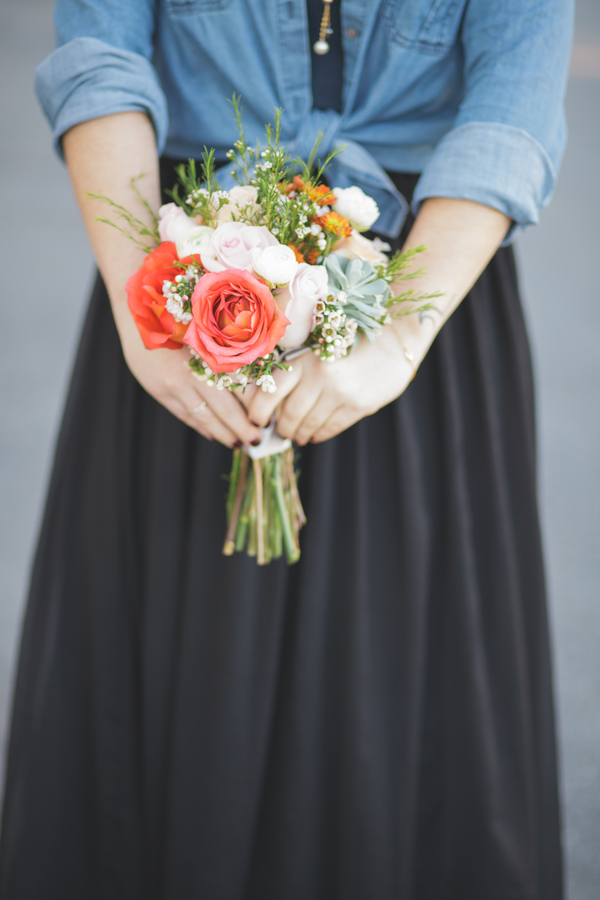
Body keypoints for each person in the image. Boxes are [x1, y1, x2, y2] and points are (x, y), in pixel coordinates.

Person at [0, 1, 573, 897]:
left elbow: (513, 105)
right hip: (180, 284)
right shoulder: (159, 302)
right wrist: (141, 303)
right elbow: (101, 55)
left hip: (422, 297)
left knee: (397, 698)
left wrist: (392, 340)